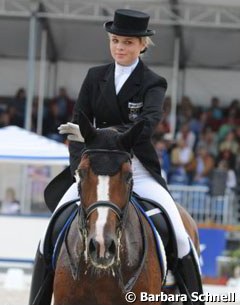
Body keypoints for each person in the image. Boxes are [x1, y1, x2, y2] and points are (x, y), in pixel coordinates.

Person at [29, 9, 204, 305]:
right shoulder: (95, 77)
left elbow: (146, 126)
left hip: (135, 167)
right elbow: (76, 126)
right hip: (94, 167)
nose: (120, 47)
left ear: (142, 45)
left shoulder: (153, 82)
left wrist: (103, 135)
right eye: (115, 41)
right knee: (50, 231)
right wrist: (79, 168)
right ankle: (38, 298)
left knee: (178, 231)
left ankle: (193, 297)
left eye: (127, 42)